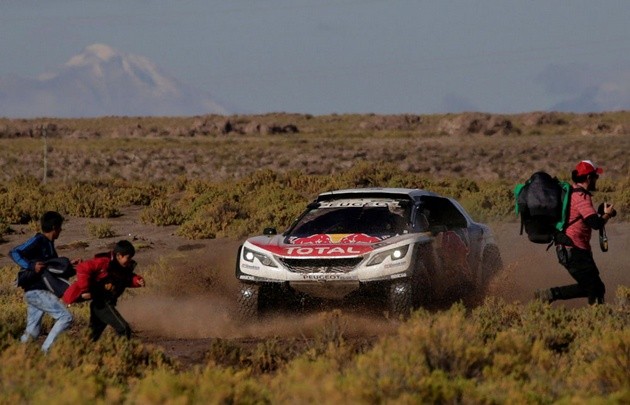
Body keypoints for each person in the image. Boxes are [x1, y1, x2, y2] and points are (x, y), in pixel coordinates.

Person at [535, 160, 616, 305]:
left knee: (594, 287)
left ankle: (548, 295)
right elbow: (596, 224)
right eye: (595, 177)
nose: (597, 180)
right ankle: (548, 295)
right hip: (573, 250)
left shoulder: (573, 192)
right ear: (589, 178)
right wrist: (608, 214)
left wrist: (600, 212)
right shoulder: (581, 197)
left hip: (574, 249)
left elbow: (585, 218)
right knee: (595, 288)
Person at [9, 211, 73, 352]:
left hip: (37, 293)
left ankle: (14, 357)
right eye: (60, 227)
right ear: (55, 227)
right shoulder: (39, 240)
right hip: (37, 291)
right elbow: (14, 252)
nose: (61, 231)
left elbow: (53, 266)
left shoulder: (50, 245)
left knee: (32, 333)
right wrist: (32, 266)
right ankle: (45, 354)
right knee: (65, 317)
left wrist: (72, 264)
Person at [63, 240, 145, 341]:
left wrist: (137, 281)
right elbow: (82, 268)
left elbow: (126, 279)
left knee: (91, 337)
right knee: (124, 329)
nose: (129, 260)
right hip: (103, 304)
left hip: (101, 304)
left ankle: (80, 353)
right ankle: (121, 355)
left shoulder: (121, 268)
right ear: (119, 255)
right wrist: (85, 289)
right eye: (128, 258)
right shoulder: (104, 262)